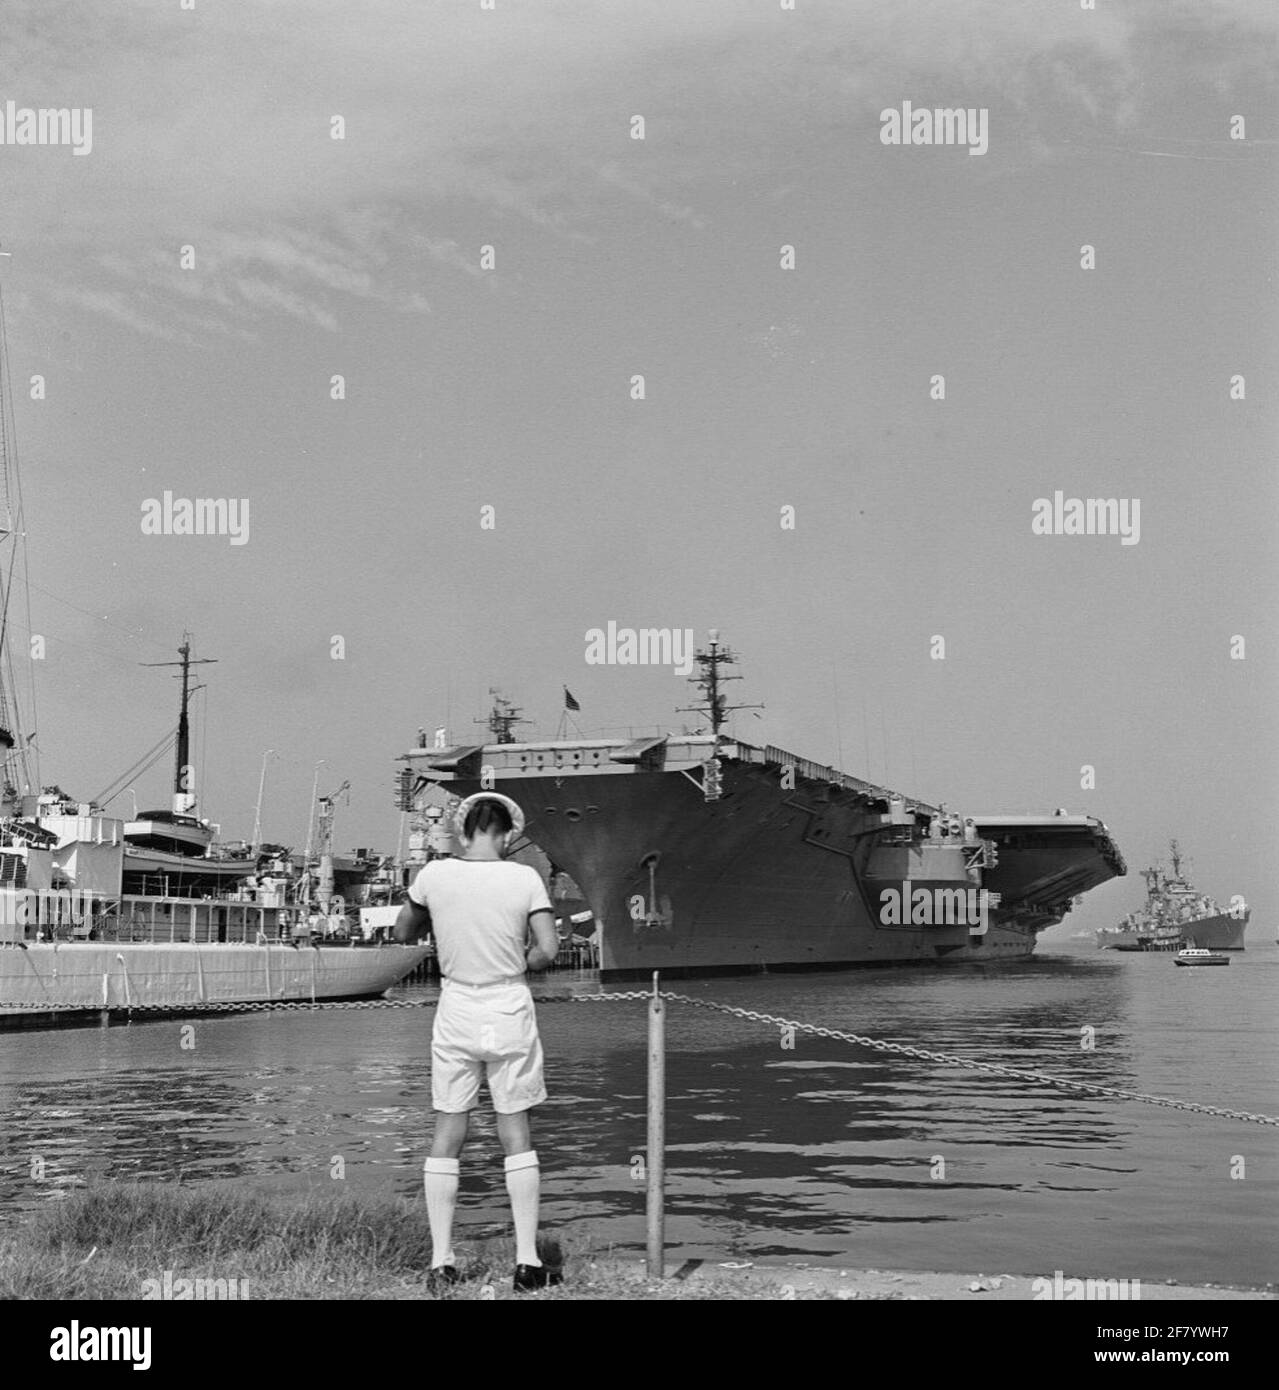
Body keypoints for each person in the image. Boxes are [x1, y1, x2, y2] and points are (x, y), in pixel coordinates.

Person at [394, 791, 562, 1292]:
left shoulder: (434, 875)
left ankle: (441, 1263)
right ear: (507, 833)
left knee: (449, 1131)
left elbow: (403, 932)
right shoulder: (524, 878)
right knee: (516, 1133)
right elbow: (549, 949)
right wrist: (517, 963)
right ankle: (527, 1263)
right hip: (508, 1004)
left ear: (462, 831)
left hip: (457, 1007)